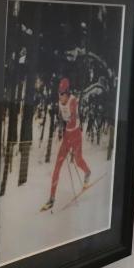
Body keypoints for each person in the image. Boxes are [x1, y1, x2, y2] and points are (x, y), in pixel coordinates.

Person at [40, 77, 91, 211]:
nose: (60, 95)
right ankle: (51, 198)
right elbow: (62, 116)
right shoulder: (60, 101)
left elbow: (73, 120)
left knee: (78, 160)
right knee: (57, 166)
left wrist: (67, 121)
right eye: (59, 93)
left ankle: (87, 172)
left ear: (67, 92)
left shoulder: (72, 101)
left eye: (62, 93)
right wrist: (60, 125)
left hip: (76, 135)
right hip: (67, 136)